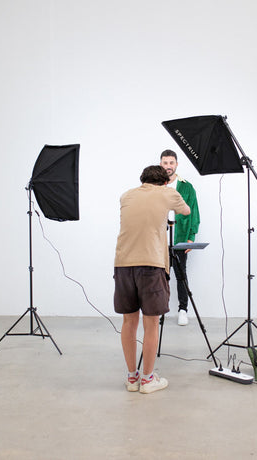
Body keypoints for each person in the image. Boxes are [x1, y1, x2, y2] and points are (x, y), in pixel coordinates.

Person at [114, 165, 190, 394]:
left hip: (123, 265)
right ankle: (147, 380)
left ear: (143, 180)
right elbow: (186, 211)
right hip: (151, 265)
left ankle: (132, 378)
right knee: (151, 323)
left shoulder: (126, 196)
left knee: (129, 322)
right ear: (165, 182)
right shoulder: (168, 193)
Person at [160, 150, 200, 326]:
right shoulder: (156, 186)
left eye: (171, 163)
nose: (168, 166)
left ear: (176, 164)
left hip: (180, 240)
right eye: (165, 163)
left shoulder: (186, 187)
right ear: (161, 164)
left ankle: (183, 310)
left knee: (181, 276)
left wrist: (191, 237)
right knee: (160, 277)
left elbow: (194, 212)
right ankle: (159, 310)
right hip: (159, 241)